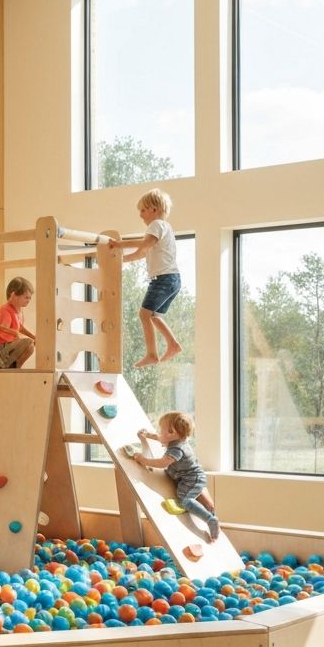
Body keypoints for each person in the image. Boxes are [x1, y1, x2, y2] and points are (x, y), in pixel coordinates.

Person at [108, 188, 182, 367]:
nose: (140, 215)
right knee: (154, 315)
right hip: (173, 279)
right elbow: (142, 253)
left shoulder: (156, 225)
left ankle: (152, 354)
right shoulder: (166, 227)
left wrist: (118, 244)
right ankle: (173, 344)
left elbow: (143, 244)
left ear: (154, 209)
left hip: (163, 279)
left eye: (143, 210)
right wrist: (122, 260)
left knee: (144, 314)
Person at [129, 411, 220, 542]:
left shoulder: (177, 449)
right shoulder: (177, 439)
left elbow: (161, 463)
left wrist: (143, 460)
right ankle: (207, 507)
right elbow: (161, 438)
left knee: (185, 501)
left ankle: (210, 519)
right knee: (190, 496)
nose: (160, 433)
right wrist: (146, 435)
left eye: (162, 430)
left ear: (172, 433)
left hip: (192, 479)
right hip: (186, 476)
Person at [0, 276, 36, 369]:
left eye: (30, 298)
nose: (28, 300)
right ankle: (4, 364)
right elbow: (1, 329)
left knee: (31, 344)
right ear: (14, 295)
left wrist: (34, 337)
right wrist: (15, 333)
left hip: (9, 346)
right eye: (26, 297)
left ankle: (15, 366)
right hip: (1, 348)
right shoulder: (5, 310)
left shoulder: (18, 311)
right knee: (29, 343)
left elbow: (20, 327)